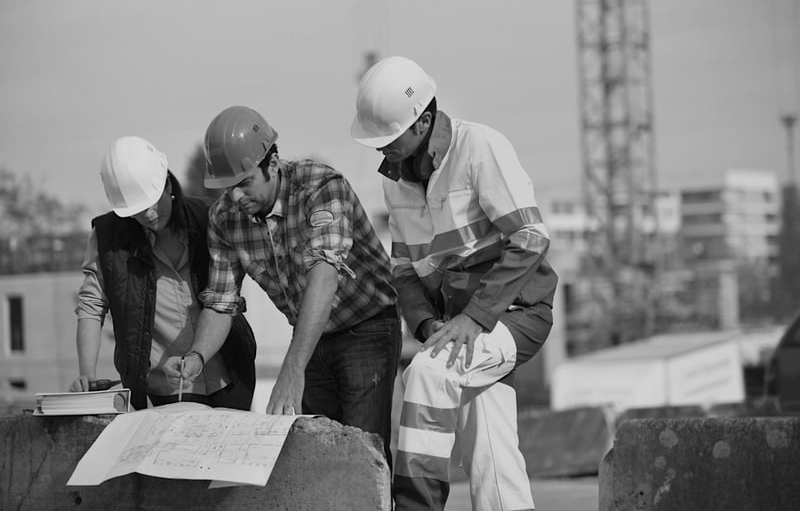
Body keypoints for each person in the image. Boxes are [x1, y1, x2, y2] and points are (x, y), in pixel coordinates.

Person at [351, 56, 558, 511]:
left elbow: (530, 237)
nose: (381, 150)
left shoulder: (480, 147)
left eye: (389, 138)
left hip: (514, 315)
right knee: (492, 454)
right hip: (455, 323)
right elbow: (403, 269)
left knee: (427, 371)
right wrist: (426, 324)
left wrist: (474, 317)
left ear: (423, 121)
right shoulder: (395, 183)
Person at [163, 106, 401, 465]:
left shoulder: (321, 187)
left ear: (272, 164)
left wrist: (293, 368)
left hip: (366, 329)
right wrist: (197, 355)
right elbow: (221, 302)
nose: (237, 198)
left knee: (361, 455)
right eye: (228, 188)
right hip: (309, 337)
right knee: (319, 459)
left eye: (244, 184)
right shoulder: (225, 218)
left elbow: (325, 274)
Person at [70, 136, 256, 411]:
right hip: (166, 385)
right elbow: (91, 305)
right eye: (138, 210)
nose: (150, 214)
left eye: (154, 201)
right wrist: (87, 373)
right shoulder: (108, 239)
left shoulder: (209, 217)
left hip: (229, 372)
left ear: (168, 183)